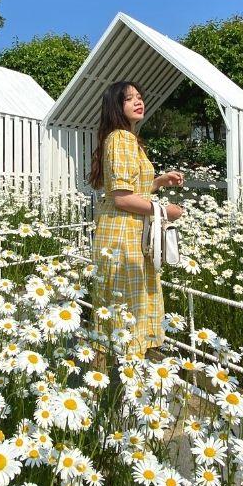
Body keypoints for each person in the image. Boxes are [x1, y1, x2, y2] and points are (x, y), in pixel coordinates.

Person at [87, 80, 185, 368]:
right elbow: (122, 198)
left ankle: (106, 378)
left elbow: (132, 190)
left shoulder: (126, 139)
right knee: (125, 306)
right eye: (129, 99)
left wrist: (159, 181)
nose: (138, 102)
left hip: (124, 230)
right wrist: (165, 211)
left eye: (140, 97)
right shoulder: (120, 138)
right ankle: (120, 377)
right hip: (123, 234)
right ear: (116, 107)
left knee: (114, 307)